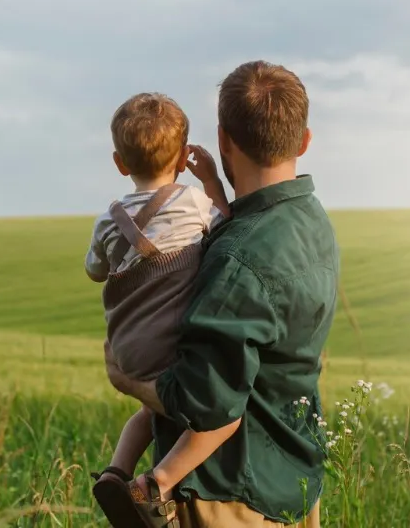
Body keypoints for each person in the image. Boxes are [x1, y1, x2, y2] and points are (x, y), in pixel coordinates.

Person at [104, 60, 339, 528]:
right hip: (293, 477)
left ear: (224, 140)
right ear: (305, 141)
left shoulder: (236, 259)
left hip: (230, 496)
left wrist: (128, 382)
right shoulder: (313, 222)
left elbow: (204, 404)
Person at [84, 92, 244, 528]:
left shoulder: (108, 220)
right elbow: (227, 221)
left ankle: (115, 473)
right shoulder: (192, 202)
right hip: (172, 345)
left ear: (120, 163)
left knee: (148, 412)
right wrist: (211, 178)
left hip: (127, 349)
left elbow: (95, 272)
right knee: (222, 418)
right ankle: (155, 483)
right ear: (180, 159)